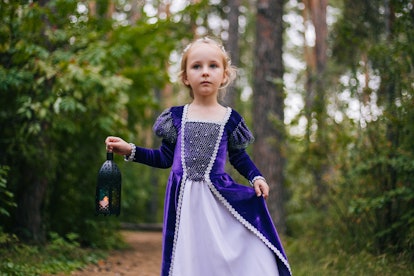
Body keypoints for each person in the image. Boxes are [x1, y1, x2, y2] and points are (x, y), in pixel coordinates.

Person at [105, 37, 291, 276]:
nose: (205, 72)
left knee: (220, 255)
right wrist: (130, 150)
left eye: (213, 66)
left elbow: (239, 156)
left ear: (224, 75)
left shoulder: (229, 118)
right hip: (184, 201)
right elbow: (163, 158)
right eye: (196, 66)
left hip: (218, 199)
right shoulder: (175, 117)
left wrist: (256, 177)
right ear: (185, 77)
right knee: (189, 258)